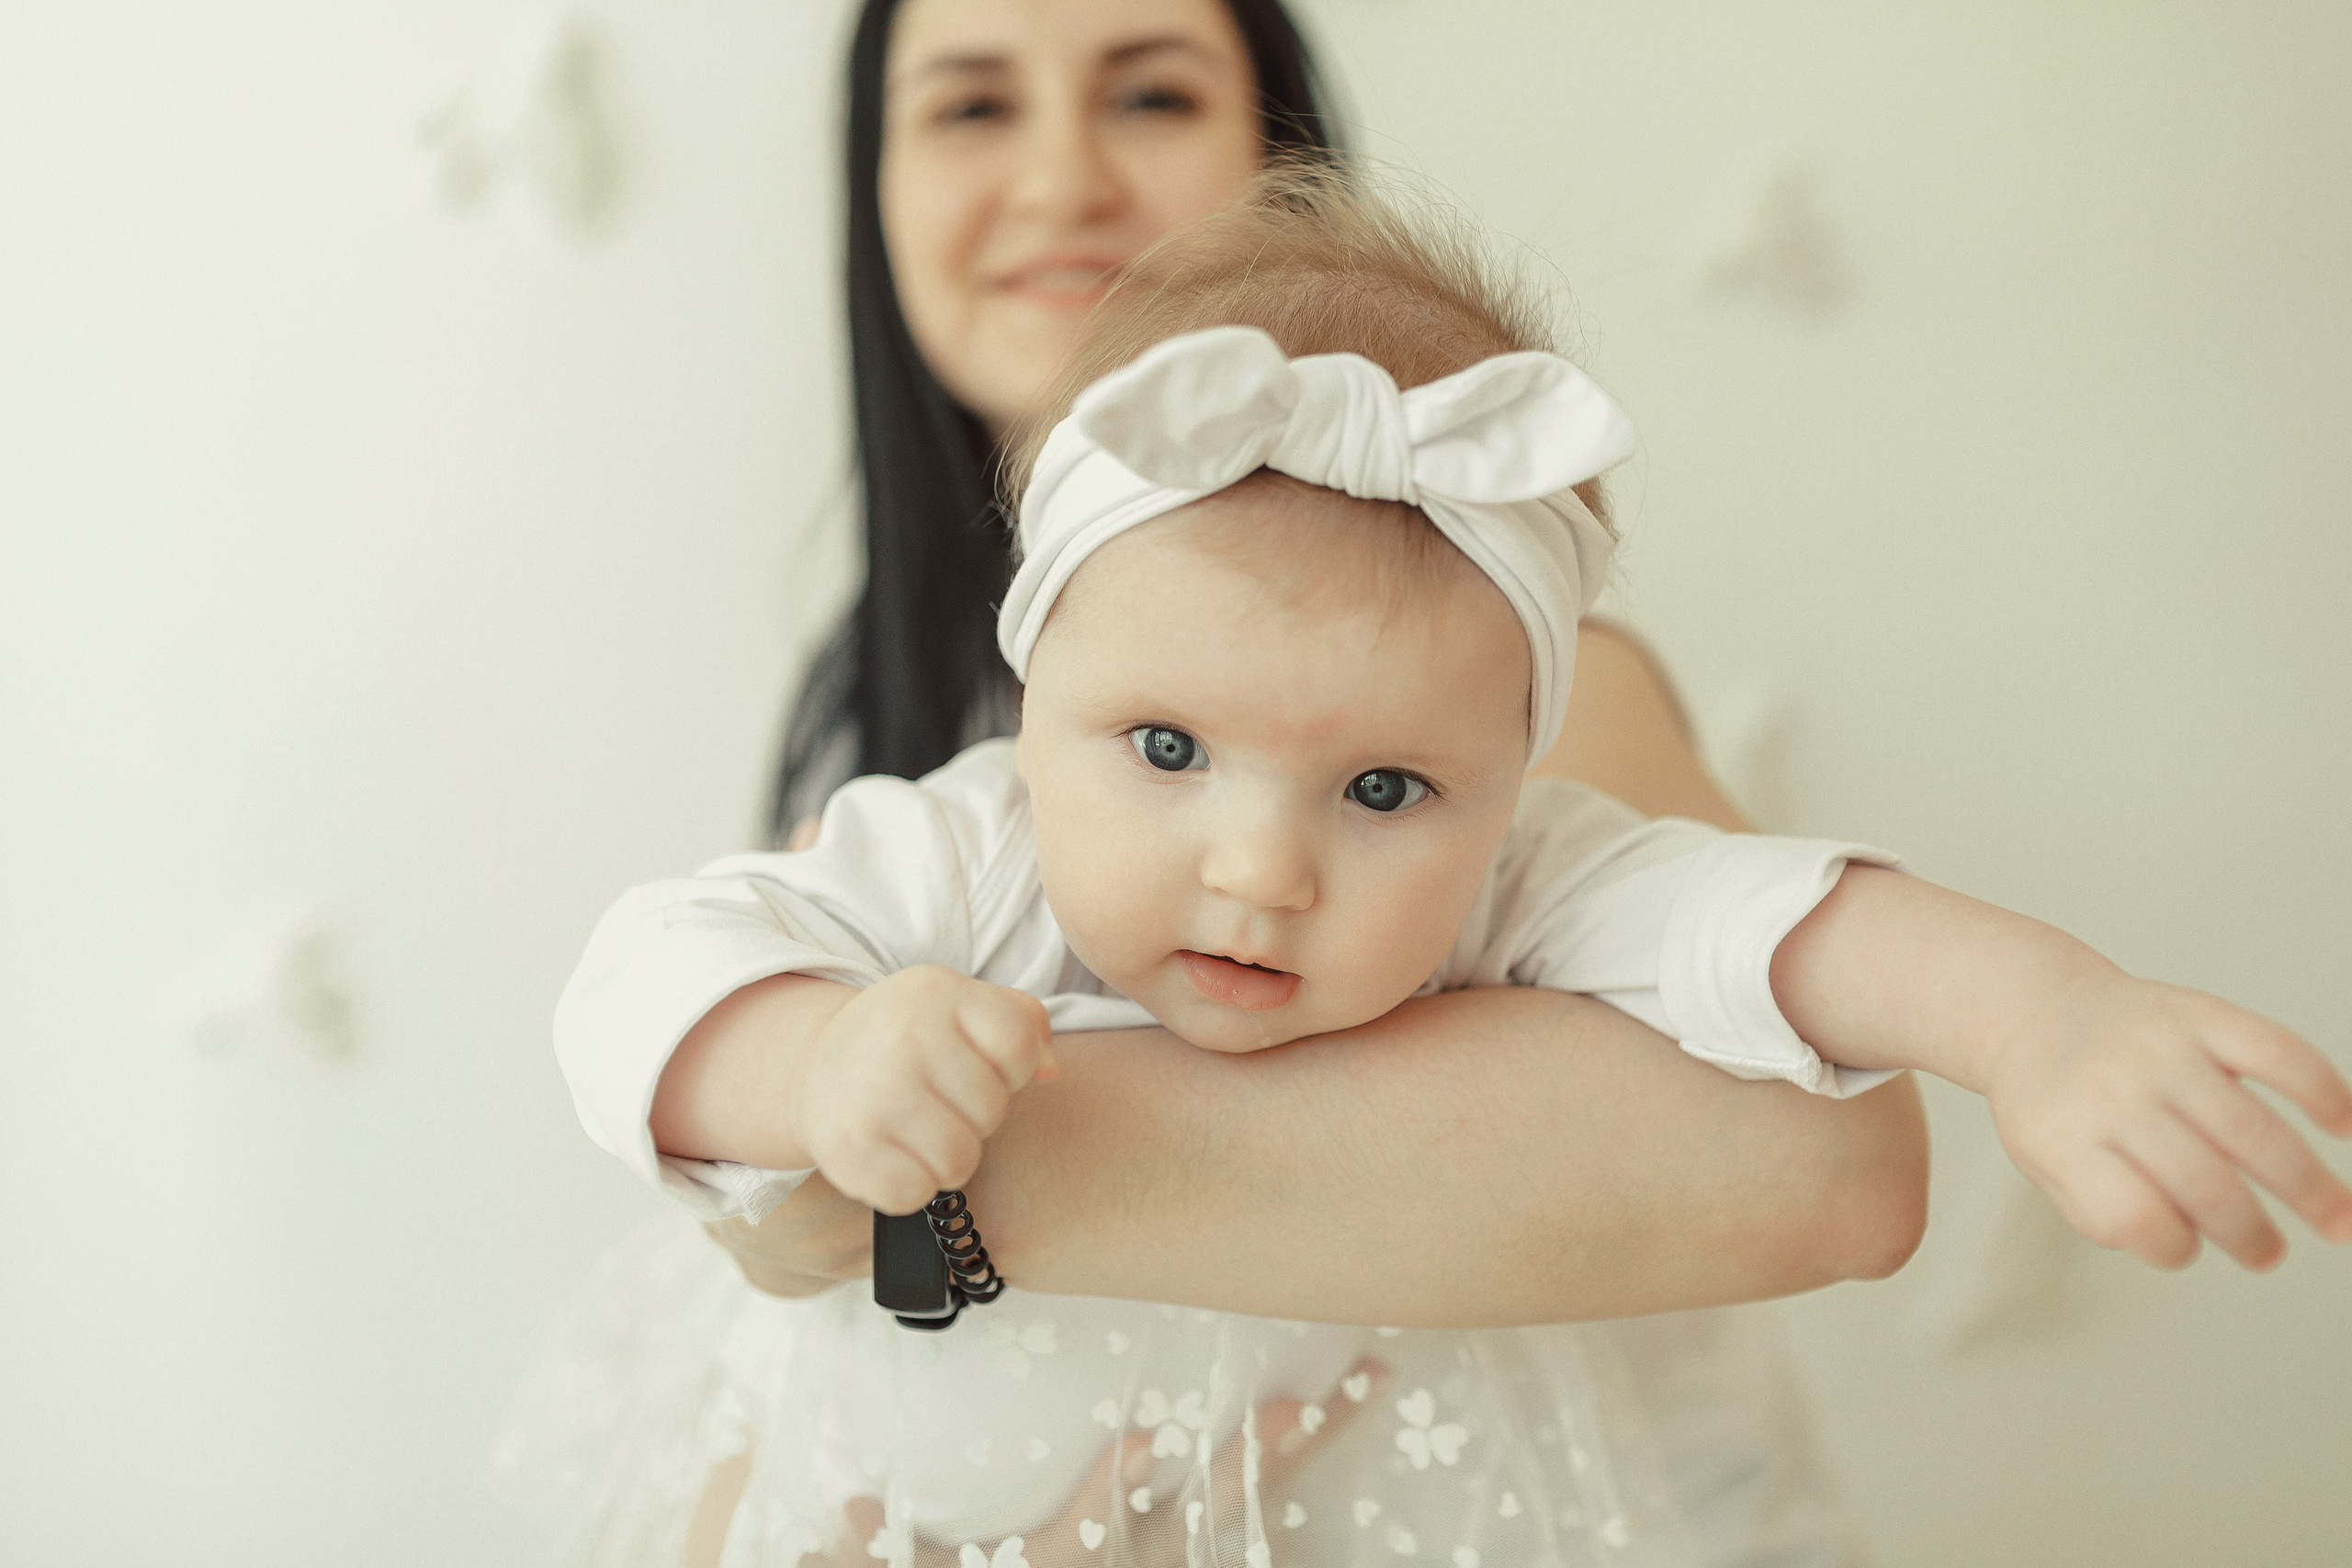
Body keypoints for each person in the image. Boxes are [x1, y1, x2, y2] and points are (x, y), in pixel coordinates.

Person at [551, 180, 2352, 1568]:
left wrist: (2039, 1013)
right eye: (1165, 749)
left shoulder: (1522, 882)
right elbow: (647, 970)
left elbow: (1771, 924)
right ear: (1036, 699)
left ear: (1502, 784)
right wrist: (818, 1054)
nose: (1259, 865)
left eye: (1385, 785)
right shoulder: (954, 843)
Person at [502, 1, 1933, 1562]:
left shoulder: (1467, 690)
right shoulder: (897, 741)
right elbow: (777, 1328)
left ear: (1279, 158)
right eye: (973, 107)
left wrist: (933, 1191)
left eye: (1151, 93)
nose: (1060, 180)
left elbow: (1823, 1166)